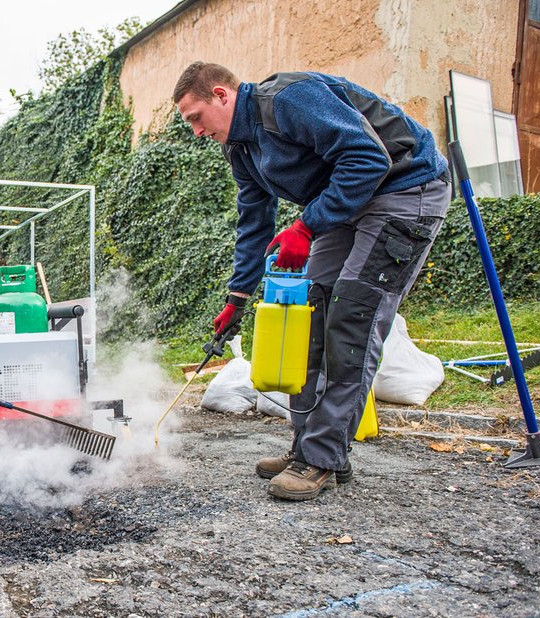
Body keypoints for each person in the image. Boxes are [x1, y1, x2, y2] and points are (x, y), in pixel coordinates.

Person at [174, 63, 450, 501]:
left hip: (402, 190)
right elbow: (254, 223)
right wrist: (237, 298)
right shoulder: (242, 149)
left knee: (351, 320)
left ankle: (321, 458)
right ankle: (308, 448)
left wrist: (306, 226)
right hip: (343, 204)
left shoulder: (289, 98)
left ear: (222, 95)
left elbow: (368, 157)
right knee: (307, 323)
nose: (196, 132)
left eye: (195, 117)